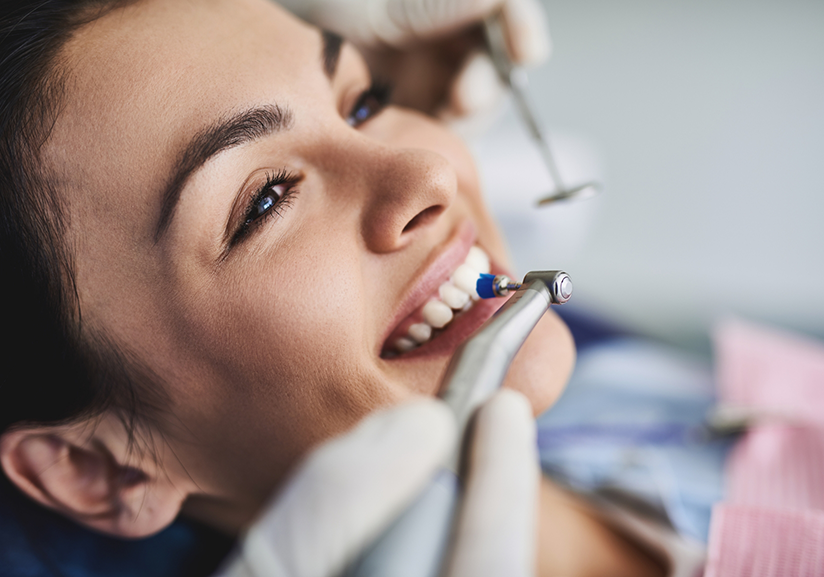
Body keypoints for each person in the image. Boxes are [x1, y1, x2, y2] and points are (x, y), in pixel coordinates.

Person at [0, 1, 667, 575]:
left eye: (365, 100)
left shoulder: (646, 384)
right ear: (94, 468)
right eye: (266, 201)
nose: (429, 172)